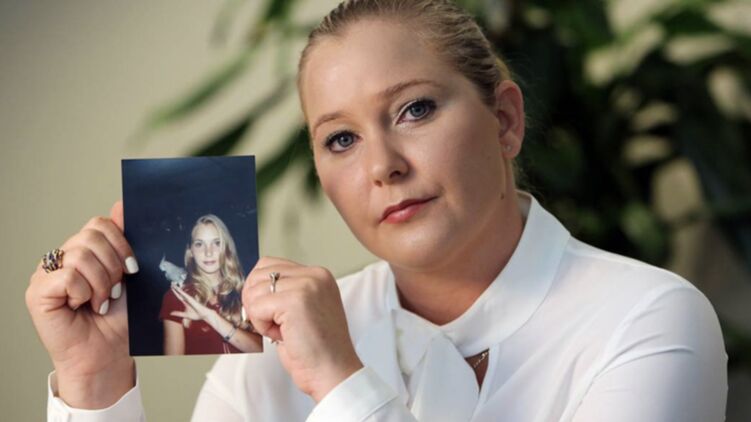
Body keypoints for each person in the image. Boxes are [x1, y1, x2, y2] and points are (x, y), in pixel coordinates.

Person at [26, 0, 727, 420]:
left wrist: (340, 384)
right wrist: (93, 384)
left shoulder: (647, 318)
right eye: (341, 139)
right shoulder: (262, 352)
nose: (382, 166)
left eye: (415, 109)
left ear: (505, 120)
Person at [159, 214, 263, 355]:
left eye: (217, 243)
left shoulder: (247, 291)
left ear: (226, 247)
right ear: (190, 252)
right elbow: (172, 364)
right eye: (199, 244)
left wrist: (211, 317)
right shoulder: (177, 297)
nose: (208, 252)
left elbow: (264, 350)